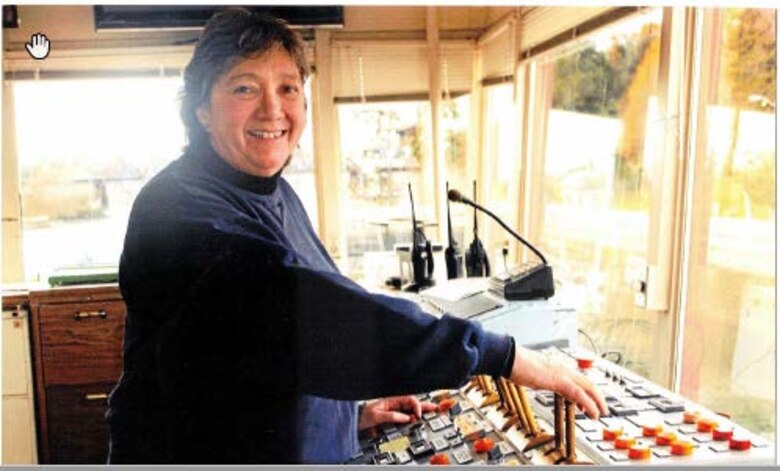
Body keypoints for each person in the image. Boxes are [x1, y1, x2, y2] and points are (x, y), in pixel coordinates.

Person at [106, 7, 607, 464]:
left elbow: (272, 360)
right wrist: (502, 355)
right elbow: (301, 317)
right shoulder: (176, 210)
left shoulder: (273, 193)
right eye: (244, 88)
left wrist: (348, 417)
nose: (272, 110)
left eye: (287, 88)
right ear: (201, 110)